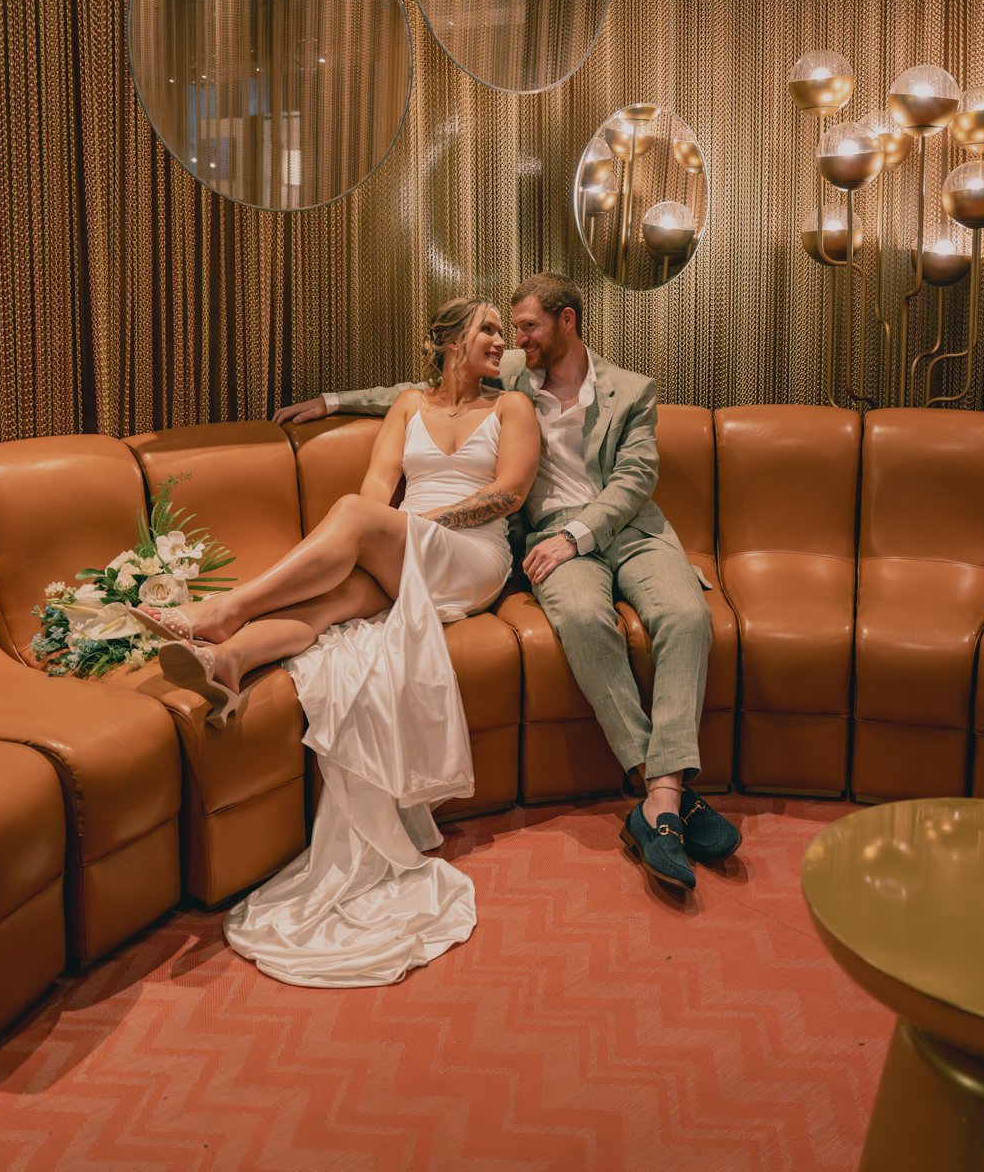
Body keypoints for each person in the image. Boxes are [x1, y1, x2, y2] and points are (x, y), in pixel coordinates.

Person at [277, 272, 741, 894]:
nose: (516, 340)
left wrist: (578, 535)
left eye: (528, 327)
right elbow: (426, 390)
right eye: (511, 329)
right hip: (548, 537)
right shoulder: (515, 377)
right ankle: (664, 790)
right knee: (583, 621)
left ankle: (661, 794)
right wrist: (334, 402)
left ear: (566, 321)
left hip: (628, 529)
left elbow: (633, 481)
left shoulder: (632, 390)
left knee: (686, 616)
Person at [138, 297, 540, 986]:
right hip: (403, 550)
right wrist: (369, 544)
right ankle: (229, 658)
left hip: (471, 557)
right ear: (451, 341)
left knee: (354, 523)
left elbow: (508, 494)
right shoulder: (408, 405)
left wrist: (404, 530)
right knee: (337, 600)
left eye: (504, 331)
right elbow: (378, 488)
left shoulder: (511, 408)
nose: (502, 341)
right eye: (489, 329)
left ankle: (224, 612)